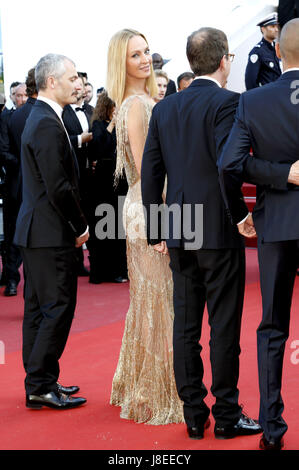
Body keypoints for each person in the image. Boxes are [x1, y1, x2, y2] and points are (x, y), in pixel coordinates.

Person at [141, 27, 262, 440]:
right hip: (215, 227)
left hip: (178, 225)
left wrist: (157, 228)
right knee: (224, 327)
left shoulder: (165, 108)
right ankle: (227, 415)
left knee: (186, 325)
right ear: (225, 59)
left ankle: (194, 415)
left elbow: (150, 172)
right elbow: (229, 165)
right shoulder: (229, 102)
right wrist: (239, 216)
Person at [218, 18, 299, 450]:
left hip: (278, 224)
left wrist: (282, 174)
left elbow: (231, 164)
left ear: (279, 54)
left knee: (273, 328)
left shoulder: (254, 101)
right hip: (280, 222)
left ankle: (272, 430)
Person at [107, 28, 184, 425]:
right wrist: (162, 222)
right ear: (121, 62)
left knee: (152, 300)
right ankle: (157, 392)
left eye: (146, 51)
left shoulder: (135, 102)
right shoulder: (137, 105)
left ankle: (146, 384)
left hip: (142, 206)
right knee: (158, 301)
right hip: (149, 208)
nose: (143, 59)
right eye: (135, 54)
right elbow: (146, 168)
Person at [14, 53, 88, 410]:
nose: (78, 83)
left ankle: (39, 380)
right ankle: (40, 382)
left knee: (40, 310)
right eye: (72, 77)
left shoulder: (44, 116)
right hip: (49, 232)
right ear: (51, 82)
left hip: (38, 232)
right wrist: (80, 225)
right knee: (57, 308)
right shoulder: (44, 121)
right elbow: (57, 186)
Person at [1, 69, 36, 297]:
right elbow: (3, 151)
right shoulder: (8, 119)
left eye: (24, 95)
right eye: (17, 95)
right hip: (15, 185)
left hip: (31, 186)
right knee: (13, 234)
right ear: (13, 96)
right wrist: (25, 164)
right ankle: (12, 280)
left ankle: (29, 283)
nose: (21, 99)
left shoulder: (31, 116)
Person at [88, 90, 128, 283]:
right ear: (108, 107)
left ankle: (119, 269)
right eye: (115, 106)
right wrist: (112, 123)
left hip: (121, 179)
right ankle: (103, 270)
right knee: (104, 223)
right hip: (104, 180)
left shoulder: (122, 126)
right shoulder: (98, 125)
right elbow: (99, 146)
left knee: (119, 225)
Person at [62, 73, 93, 276]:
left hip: (92, 173)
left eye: (82, 85)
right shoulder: (63, 113)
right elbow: (62, 141)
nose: (80, 88)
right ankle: (76, 262)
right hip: (73, 172)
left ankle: (94, 259)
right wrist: (81, 140)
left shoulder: (92, 110)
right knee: (75, 215)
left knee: (93, 214)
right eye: (77, 85)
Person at [245, 13, 281, 90]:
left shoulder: (277, 47)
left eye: (276, 26)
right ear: (263, 29)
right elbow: (250, 81)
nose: (276, 29)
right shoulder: (257, 52)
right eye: (272, 26)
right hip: (268, 96)